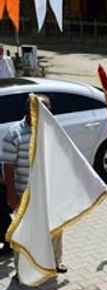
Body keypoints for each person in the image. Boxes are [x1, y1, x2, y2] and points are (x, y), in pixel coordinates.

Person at [2, 95, 66, 273]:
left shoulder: (51, 130)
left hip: (49, 191)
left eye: (49, 108)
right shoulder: (14, 133)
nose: (49, 113)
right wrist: (11, 194)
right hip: (24, 193)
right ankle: (22, 268)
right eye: (45, 109)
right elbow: (8, 167)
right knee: (23, 231)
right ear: (31, 110)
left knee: (55, 227)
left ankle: (55, 261)